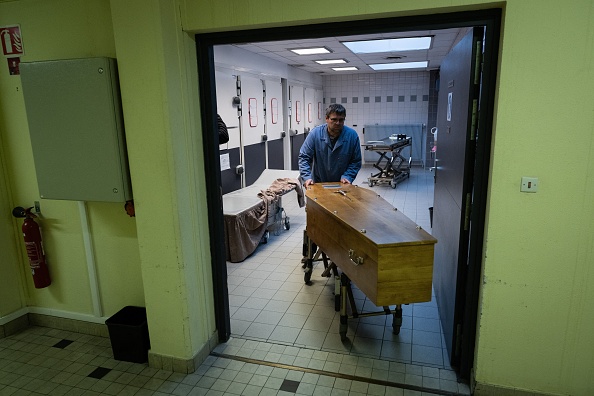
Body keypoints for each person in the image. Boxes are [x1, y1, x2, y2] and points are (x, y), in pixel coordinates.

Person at [298, 104, 362, 187]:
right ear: (327, 119)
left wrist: (348, 176)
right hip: (318, 183)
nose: (337, 123)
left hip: (342, 183)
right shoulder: (315, 134)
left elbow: (356, 161)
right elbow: (304, 157)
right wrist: (307, 177)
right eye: (334, 119)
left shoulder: (352, 136)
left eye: (341, 120)